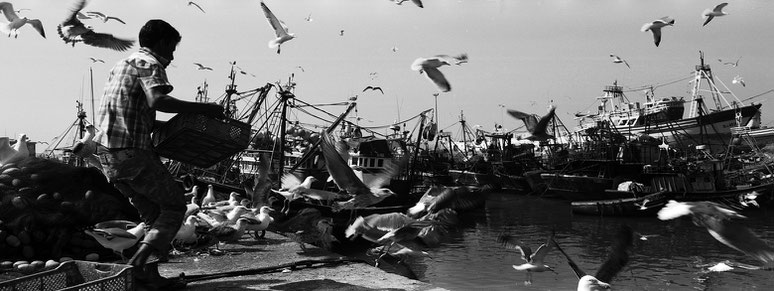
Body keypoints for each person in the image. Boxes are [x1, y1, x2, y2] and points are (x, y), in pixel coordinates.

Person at [95, 19, 223, 290]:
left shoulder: (120, 65)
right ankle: (137, 262)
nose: (173, 56)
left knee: (153, 215)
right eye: (173, 48)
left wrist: (178, 127)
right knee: (176, 206)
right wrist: (204, 110)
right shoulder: (149, 62)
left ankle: (148, 280)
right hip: (132, 153)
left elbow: (142, 115)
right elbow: (158, 101)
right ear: (163, 43)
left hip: (108, 156)